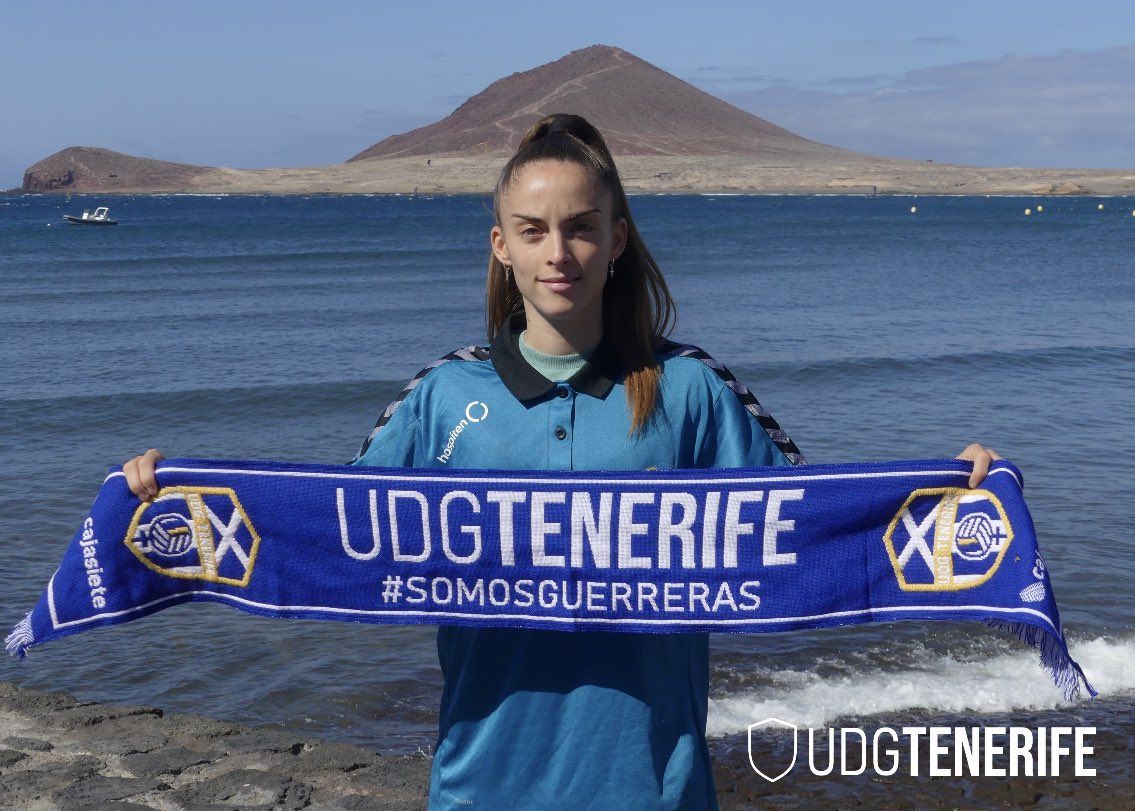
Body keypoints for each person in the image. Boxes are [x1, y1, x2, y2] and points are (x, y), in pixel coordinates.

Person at [123, 113, 1001, 810]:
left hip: (653, 785)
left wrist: (939, 496)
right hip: (480, 783)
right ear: (500, 243)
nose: (558, 252)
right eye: (533, 230)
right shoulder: (439, 397)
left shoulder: (687, 388)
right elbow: (329, 527)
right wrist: (180, 495)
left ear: (616, 239)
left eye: (581, 228)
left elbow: (810, 523)